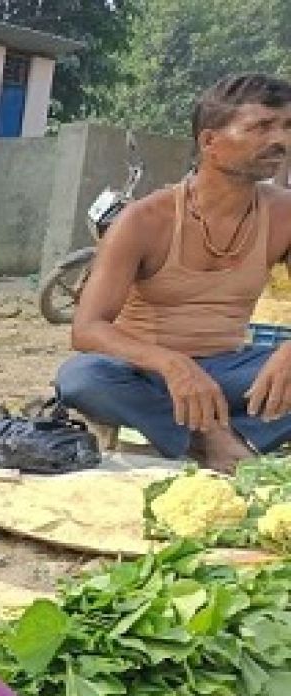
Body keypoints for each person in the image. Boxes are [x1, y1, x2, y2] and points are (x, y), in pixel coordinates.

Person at [55, 74, 291, 471]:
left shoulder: (284, 214)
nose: (280, 140)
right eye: (260, 127)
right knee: (82, 379)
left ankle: (228, 440)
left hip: (229, 372)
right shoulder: (144, 220)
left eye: (286, 127)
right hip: (146, 374)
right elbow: (88, 329)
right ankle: (216, 439)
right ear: (210, 142)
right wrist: (172, 364)